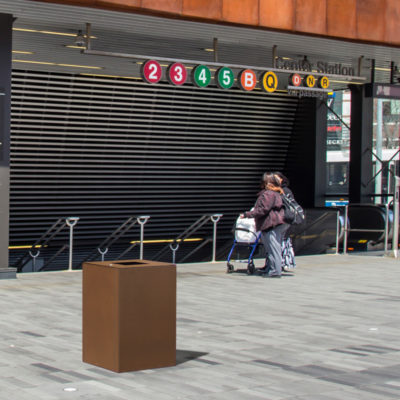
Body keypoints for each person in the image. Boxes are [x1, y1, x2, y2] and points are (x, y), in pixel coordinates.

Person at [240, 172, 286, 278]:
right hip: (275, 223)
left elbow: (263, 210)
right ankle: (273, 269)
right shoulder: (276, 192)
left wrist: (247, 214)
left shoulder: (268, 194)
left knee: (273, 248)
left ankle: (275, 271)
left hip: (271, 223)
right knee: (274, 248)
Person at [274, 172, 296, 271]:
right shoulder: (280, 190)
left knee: (279, 240)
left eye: (276, 178)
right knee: (281, 240)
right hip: (283, 219)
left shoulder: (284, 191)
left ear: (282, 179)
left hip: (283, 219)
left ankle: (281, 263)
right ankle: (282, 262)